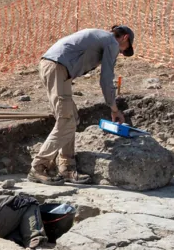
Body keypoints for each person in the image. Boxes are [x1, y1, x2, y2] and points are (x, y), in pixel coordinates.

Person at [28, 25, 135, 185]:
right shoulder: (112, 42)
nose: (120, 53)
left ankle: (67, 167)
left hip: (55, 68)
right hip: (57, 68)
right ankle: (39, 166)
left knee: (71, 119)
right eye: (124, 49)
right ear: (125, 38)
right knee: (66, 121)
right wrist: (114, 109)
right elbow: (106, 79)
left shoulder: (100, 36)